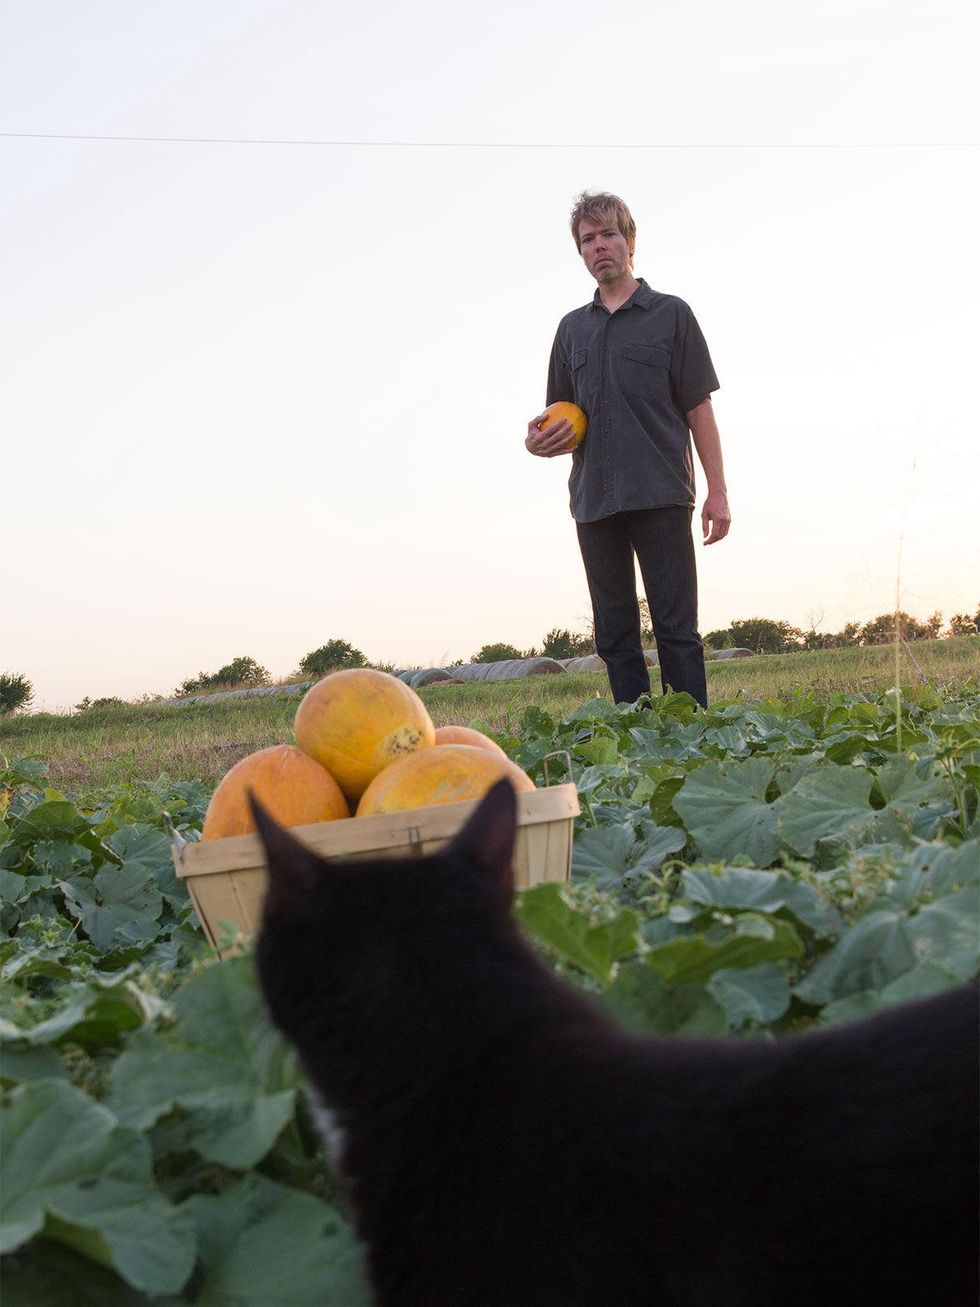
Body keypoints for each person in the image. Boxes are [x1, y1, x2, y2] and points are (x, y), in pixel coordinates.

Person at [526, 191, 730, 709]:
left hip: (660, 493)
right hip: (594, 502)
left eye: (608, 235)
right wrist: (535, 443)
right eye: (588, 240)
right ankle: (635, 741)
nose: (599, 247)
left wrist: (718, 492)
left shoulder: (671, 315)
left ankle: (691, 738)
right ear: (581, 253)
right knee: (615, 638)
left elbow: (698, 407)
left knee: (676, 631)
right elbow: (556, 420)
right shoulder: (571, 330)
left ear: (630, 241)